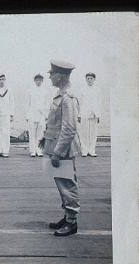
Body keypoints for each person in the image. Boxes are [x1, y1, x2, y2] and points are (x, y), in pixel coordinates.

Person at [43, 60, 81, 236]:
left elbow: (69, 128)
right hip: (56, 147)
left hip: (63, 150)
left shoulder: (68, 98)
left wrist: (57, 152)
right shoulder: (60, 95)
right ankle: (67, 216)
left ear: (61, 75)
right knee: (61, 184)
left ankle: (72, 222)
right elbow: (55, 123)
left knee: (67, 185)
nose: (49, 75)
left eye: (52, 73)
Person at [78, 72, 103, 157]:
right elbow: (80, 103)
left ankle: (92, 150)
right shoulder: (82, 89)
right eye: (88, 78)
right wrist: (79, 115)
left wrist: (98, 114)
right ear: (86, 79)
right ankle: (84, 150)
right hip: (84, 113)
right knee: (84, 132)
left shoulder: (98, 90)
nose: (89, 80)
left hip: (94, 114)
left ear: (94, 79)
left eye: (91, 78)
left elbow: (99, 103)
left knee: (93, 133)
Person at [26, 74, 49, 157]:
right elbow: (27, 104)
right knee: (32, 134)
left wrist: (46, 116)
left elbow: (47, 104)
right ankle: (32, 151)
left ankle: (39, 150)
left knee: (40, 134)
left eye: (40, 80)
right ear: (34, 81)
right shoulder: (30, 91)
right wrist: (27, 115)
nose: (38, 82)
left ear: (42, 81)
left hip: (41, 115)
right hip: (32, 114)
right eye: (37, 80)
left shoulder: (45, 91)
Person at [0, 73, 15, 157]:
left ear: (5, 80)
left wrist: (12, 114)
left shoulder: (9, 90)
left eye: (3, 79)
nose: (1, 81)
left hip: (6, 114)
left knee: (5, 132)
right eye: (0, 79)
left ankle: (5, 150)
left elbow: (12, 102)